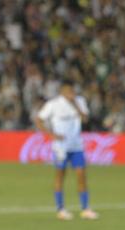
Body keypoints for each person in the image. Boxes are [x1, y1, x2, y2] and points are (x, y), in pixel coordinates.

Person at [35, 80, 98, 220]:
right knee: (60, 175)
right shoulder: (53, 104)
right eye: (68, 92)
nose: (71, 94)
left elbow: (85, 119)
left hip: (76, 145)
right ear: (62, 92)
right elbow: (39, 119)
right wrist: (51, 134)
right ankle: (60, 209)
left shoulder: (80, 101)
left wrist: (75, 105)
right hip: (61, 147)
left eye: (73, 91)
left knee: (81, 174)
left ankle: (85, 208)